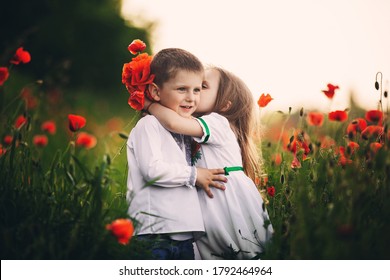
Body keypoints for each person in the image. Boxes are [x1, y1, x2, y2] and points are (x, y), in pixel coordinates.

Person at [144, 66, 274, 259]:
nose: (194, 90)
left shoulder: (218, 122)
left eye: (202, 86)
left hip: (224, 194)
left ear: (225, 105)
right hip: (211, 196)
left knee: (240, 250)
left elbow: (172, 122)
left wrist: (149, 105)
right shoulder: (201, 126)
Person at [126, 49, 227, 260]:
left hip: (183, 237)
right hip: (154, 234)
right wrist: (194, 175)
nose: (191, 98)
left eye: (197, 90)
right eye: (182, 89)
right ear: (155, 92)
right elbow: (152, 170)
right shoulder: (149, 125)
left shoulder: (184, 130)